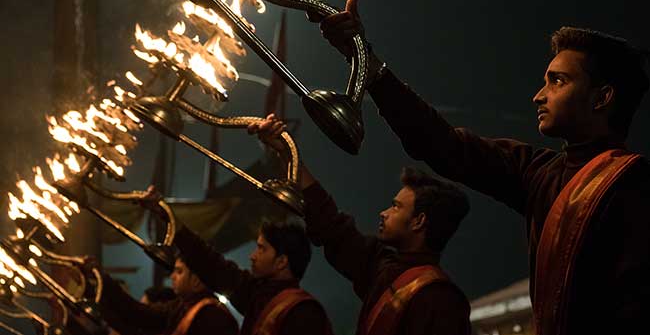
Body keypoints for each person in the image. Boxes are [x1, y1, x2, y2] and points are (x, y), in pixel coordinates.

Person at [318, 0, 650, 334]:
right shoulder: (538, 171)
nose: (539, 95)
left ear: (602, 97)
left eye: (558, 81)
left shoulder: (634, 186)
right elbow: (441, 144)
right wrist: (365, 61)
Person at [249, 116, 471, 335]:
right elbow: (331, 225)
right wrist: (288, 153)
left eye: (395, 207)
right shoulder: (382, 265)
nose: (383, 213)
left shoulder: (441, 300)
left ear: (418, 221)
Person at [174, 220, 333, 335]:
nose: (252, 256)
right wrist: (174, 224)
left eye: (261, 249)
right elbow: (212, 265)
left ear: (281, 261)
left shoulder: (302, 311)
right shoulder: (256, 293)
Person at [94, 256, 238, 335]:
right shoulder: (182, 305)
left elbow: (138, 314)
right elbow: (138, 313)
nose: (172, 276)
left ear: (196, 279)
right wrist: (101, 282)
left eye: (179, 272)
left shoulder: (212, 315)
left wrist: (103, 281)